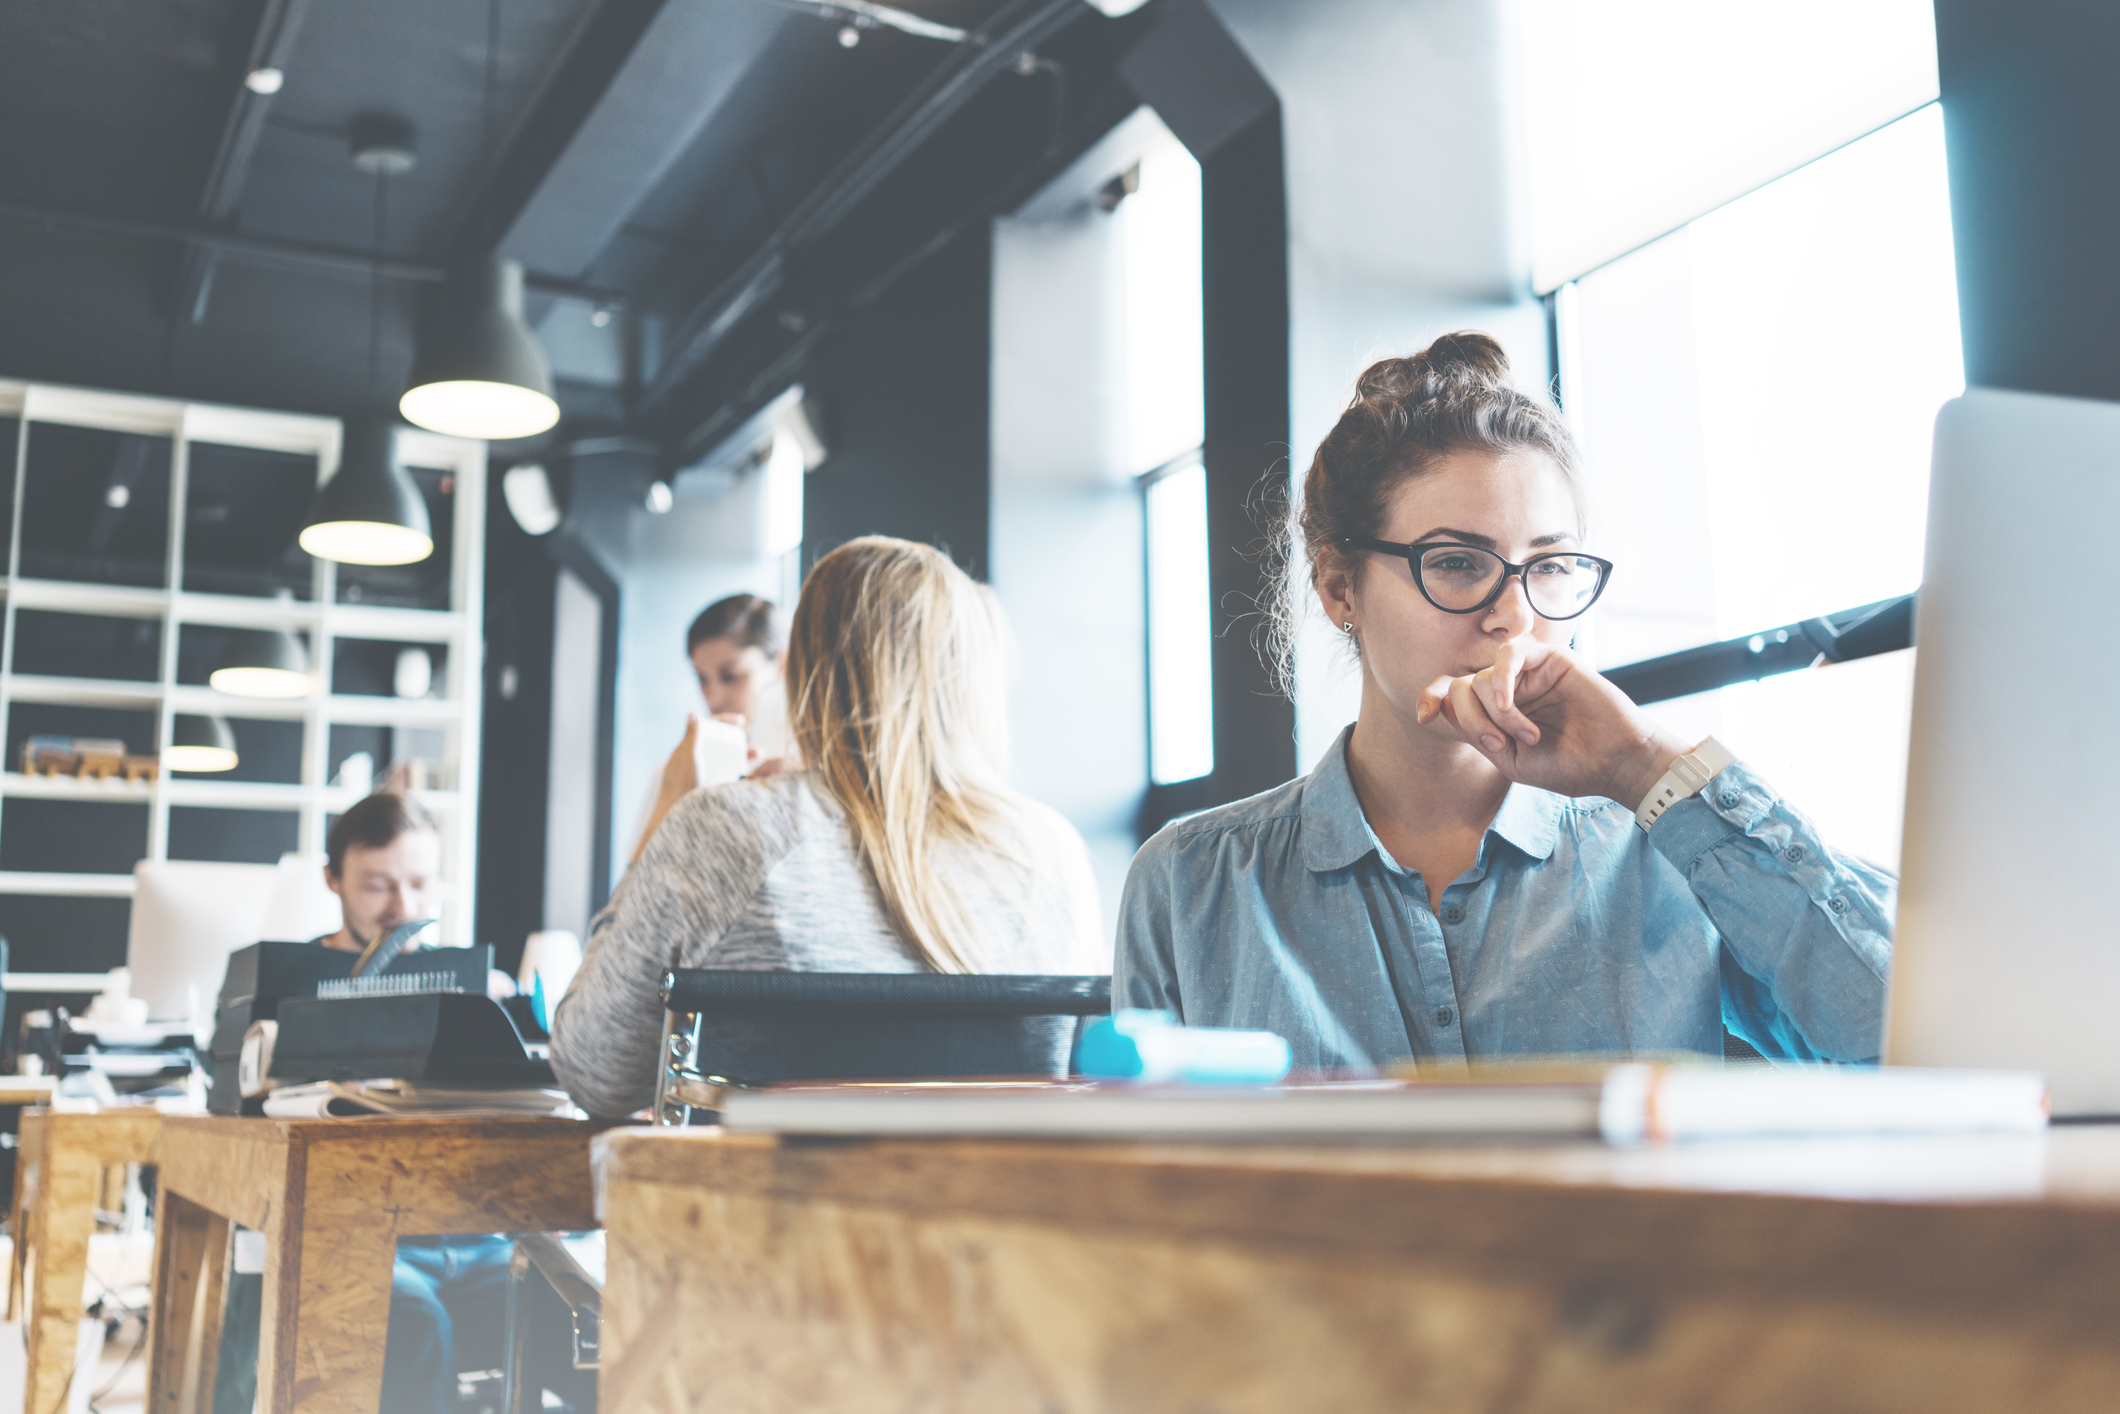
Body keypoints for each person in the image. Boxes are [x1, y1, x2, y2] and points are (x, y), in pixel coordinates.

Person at [1114, 332, 1893, 1070]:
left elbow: (1909, 1041)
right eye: (1457, 562)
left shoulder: (1668, 853)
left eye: (1549, 567)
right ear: (1339, 588)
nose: (1515, 617)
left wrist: (1645, 765)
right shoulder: (1192, 883)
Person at [553, 535, 1108, 1118]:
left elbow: (593, 1072)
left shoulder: (725, 827)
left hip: (773, 1182)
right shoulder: (1052, 853)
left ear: (800, 671)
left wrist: (665, 819)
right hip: (997, 1179)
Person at [213, 792, 511, 1414]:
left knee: (573, 1305)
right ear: (333, 879)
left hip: (465, 1228)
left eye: (420, 884)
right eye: (378, 885)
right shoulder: (279, 990)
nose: (402, 907)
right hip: (344, 1223)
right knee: (413, 1322)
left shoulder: (470, 990)